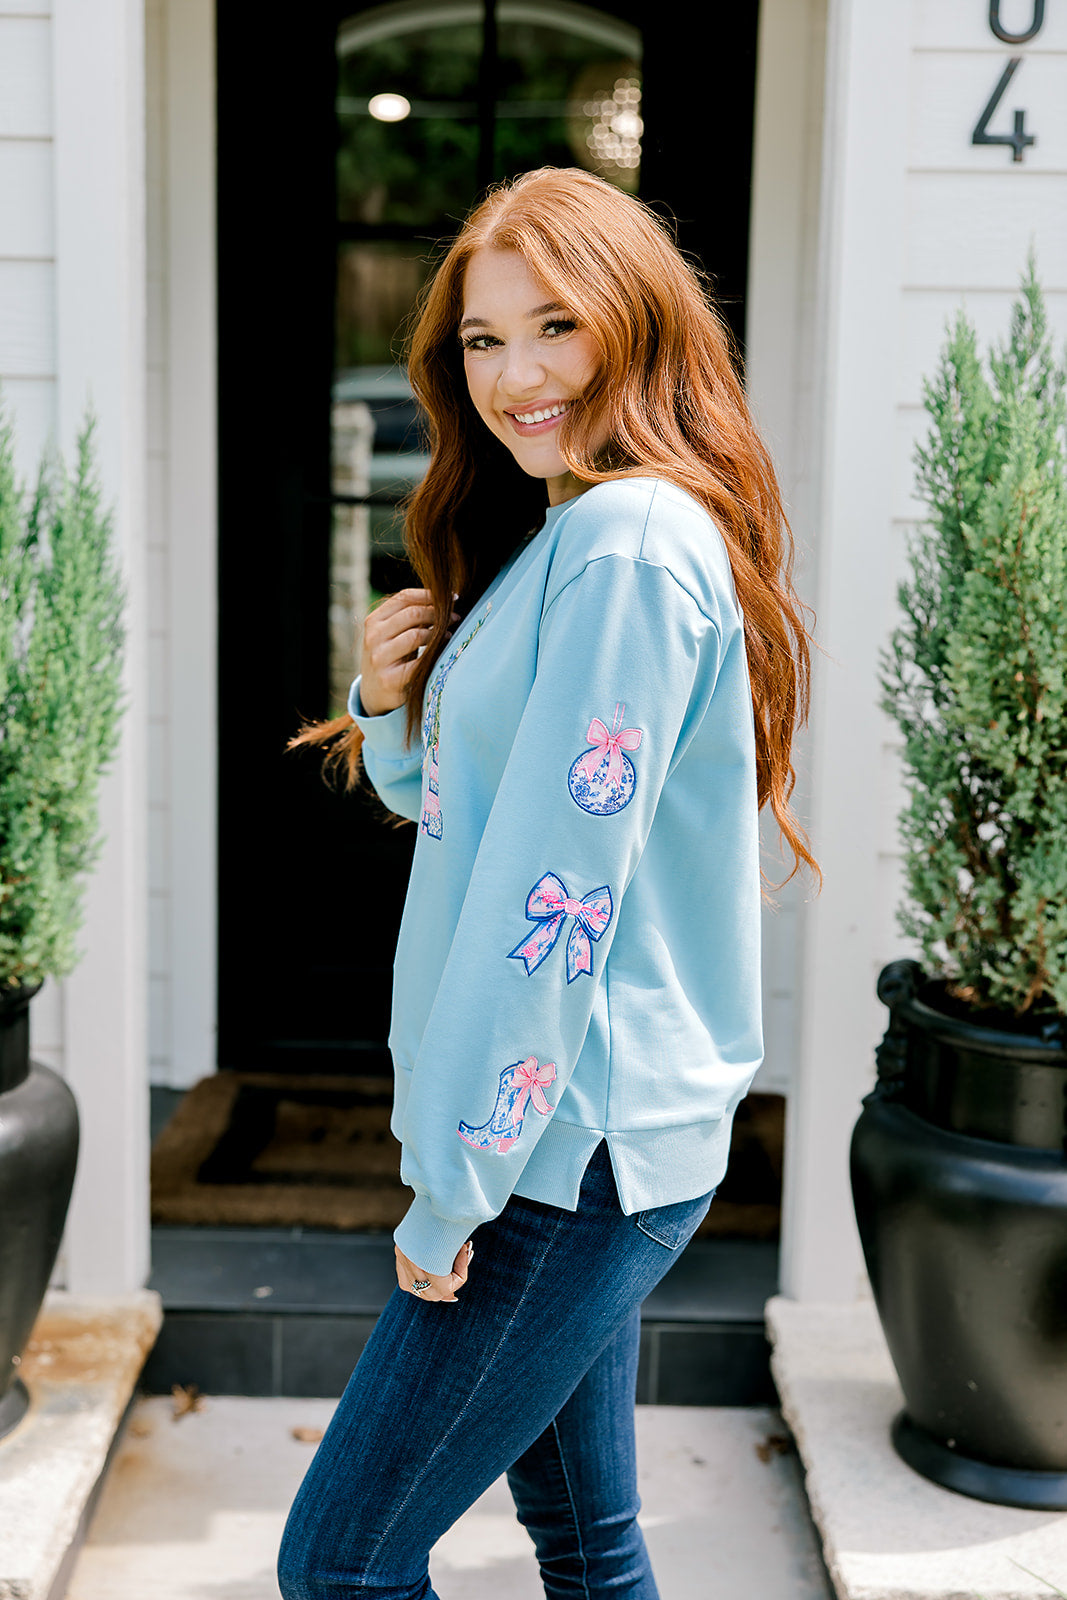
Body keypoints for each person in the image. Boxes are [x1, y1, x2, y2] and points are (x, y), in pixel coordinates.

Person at [278, 165, 817, 1600]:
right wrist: (390, 702)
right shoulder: (574, 531)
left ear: (635, 325)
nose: (516, 375)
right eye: (480, 338)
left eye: (556, 327)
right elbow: (473, 811)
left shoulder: (628, 545)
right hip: (583, 1139)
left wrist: (454, 1185)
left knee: (342, 1568)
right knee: (589, 1548)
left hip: (561, 1157)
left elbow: (550, 908)